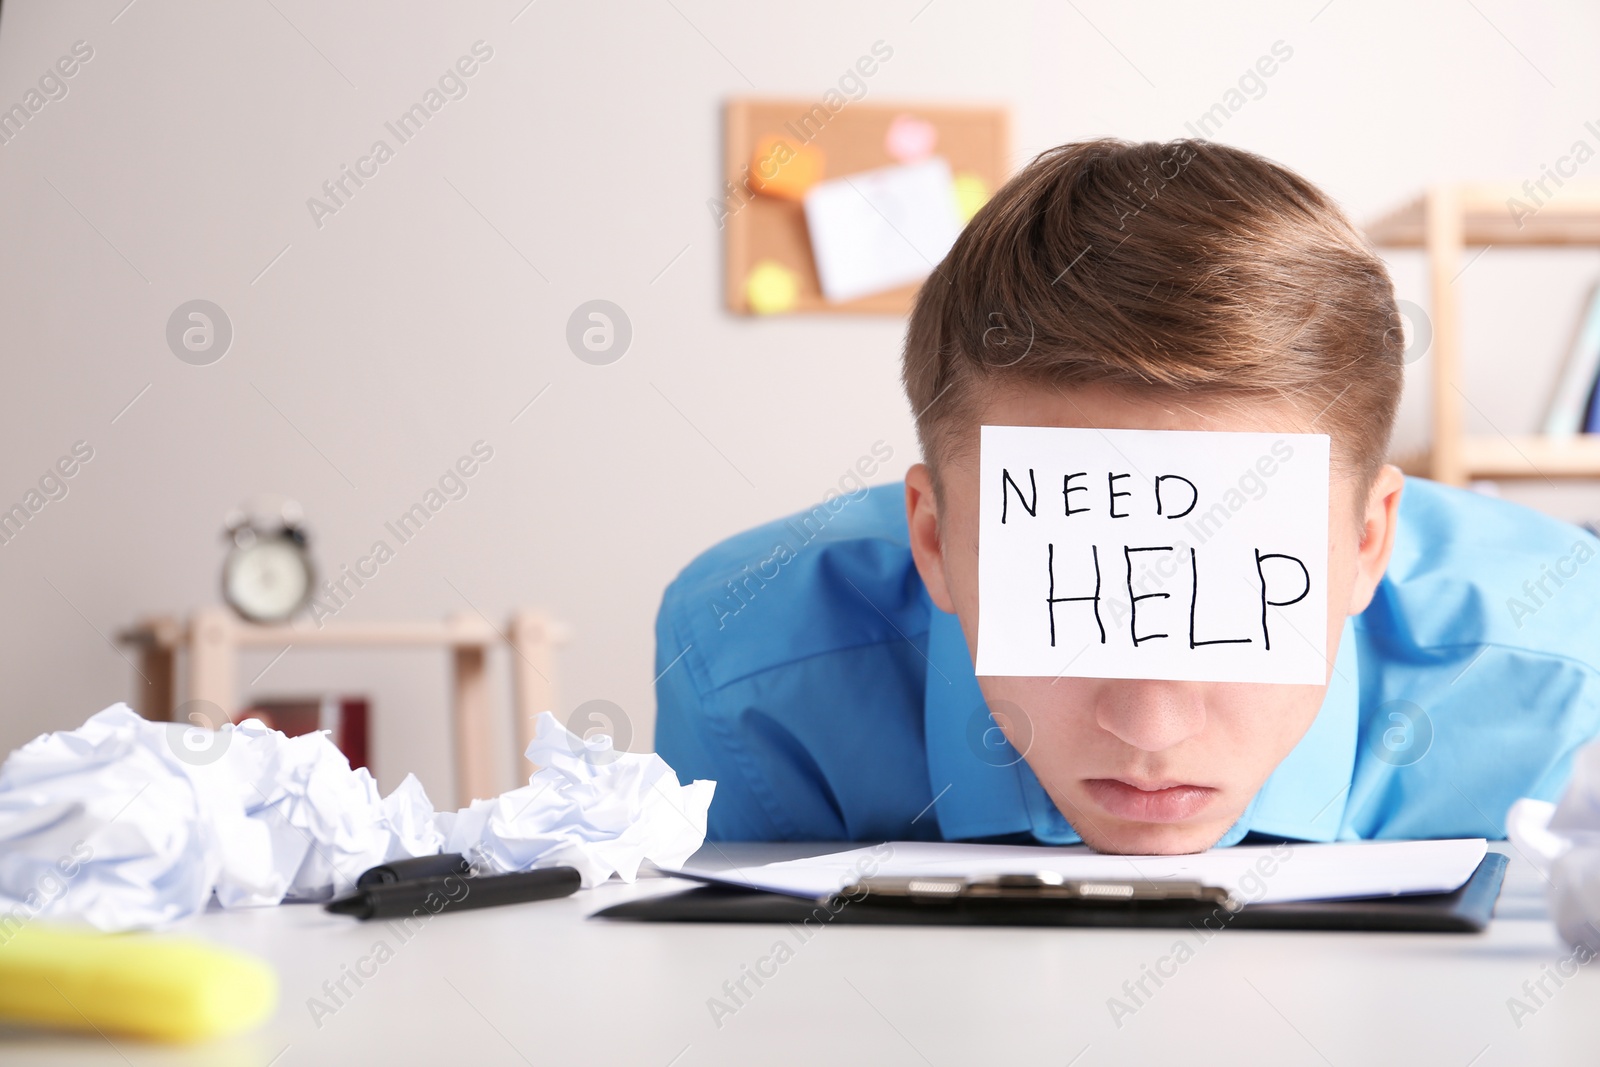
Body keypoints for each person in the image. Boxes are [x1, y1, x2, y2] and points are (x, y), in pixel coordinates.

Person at [654, 138, 1600, 853]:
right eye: (1063, 588)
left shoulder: (1562, 671)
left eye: (1237, 593)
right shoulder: (747, 666)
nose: (1151, 728)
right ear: (933, 539)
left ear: (1364, 542)